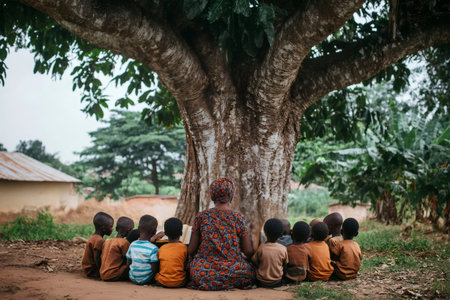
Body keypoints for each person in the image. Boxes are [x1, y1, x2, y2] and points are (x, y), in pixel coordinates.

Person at [188, 178, 255, 290]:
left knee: (193, 268)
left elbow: (191, 250)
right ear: (231, 195)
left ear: (212, 195)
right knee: (249, 272)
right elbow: (248, 251)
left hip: (204, 272)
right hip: (235, 271)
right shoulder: (238, 217)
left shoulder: (201, 216)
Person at [252, 218, 289, 288]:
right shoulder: (283, 249)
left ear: (265, 233)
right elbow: (285, 265)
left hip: (261, 282)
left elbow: (255, 262)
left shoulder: (261, 247)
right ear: (281, 235)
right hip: (277, 282)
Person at [126, 215, 160, 285]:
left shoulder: (132, 244)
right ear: (154, 232)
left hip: (132, 278)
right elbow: (154, 269)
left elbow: (128, 263)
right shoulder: (153, 248)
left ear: (138, 229)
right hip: (147, 279)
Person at [155, 217, 188, 288]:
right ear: (181, 233)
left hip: (162, 281)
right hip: (180, 282)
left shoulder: (161, 248)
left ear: (165, 233)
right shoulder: (184, 248)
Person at [99, 216, 134, 281]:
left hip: (102, 273)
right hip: (113, 274)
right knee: (130, 264)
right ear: (129, 231)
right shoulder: (124, 242)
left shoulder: (107, 241)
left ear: (116, 228)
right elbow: (128, 259)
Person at [81, 212, 113, 278]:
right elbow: (97, 258)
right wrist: (102, 271)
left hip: (87, 268)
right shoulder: (99, 241)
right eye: (111, 226)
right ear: (103, 228)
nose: (112, 229)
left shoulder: (93, 237)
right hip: (92, 270)